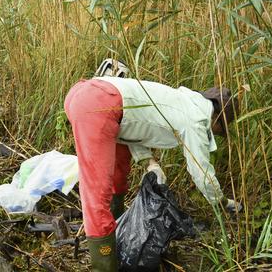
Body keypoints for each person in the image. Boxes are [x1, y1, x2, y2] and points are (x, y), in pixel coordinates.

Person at [63, 77, 240, 271]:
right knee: (97, 193)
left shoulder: (185, 100)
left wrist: (150, 163)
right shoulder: (197, 121)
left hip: (87, 95)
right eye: (220, 129)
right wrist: (221, 202)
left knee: (118, 174)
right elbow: (201, 173)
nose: (216, 133)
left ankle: (119, 233)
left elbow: (135, 123)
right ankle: (104, 266)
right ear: (217, 119)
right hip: (97, 106)